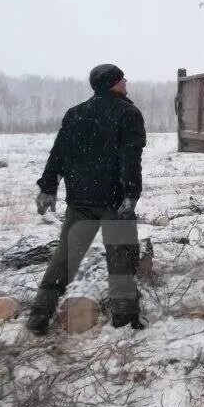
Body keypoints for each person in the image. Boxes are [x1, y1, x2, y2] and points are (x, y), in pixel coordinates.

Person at [26, 64, 147, 334]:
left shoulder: (75, 113)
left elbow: (57, 153)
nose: (125, 80)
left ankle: (38, 316)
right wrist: (130, 196)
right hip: (114, 203)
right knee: (121, 263)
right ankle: (125, 321)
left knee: (64, 259)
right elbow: (130, 159)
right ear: (112, 84)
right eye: (121, 78)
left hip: (80, 200)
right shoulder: (128, 114)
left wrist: (48, 186)